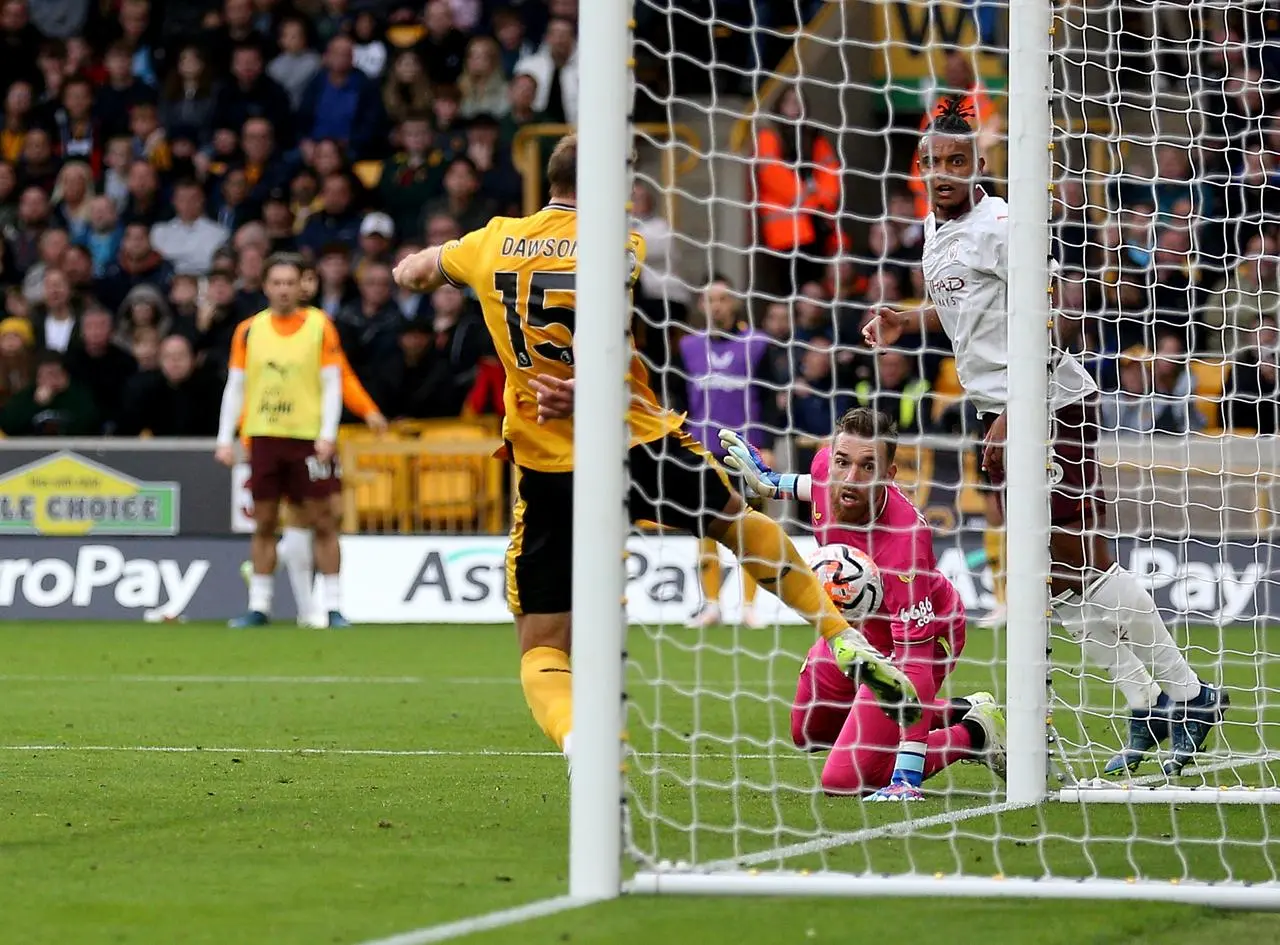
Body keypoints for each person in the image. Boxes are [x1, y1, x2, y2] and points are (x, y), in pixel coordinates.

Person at [392, 134, 920, 763]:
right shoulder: (622, 244)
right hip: (635, 439)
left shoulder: (491, 240)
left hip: (548, 463)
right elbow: (604, 328)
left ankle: (576, 737)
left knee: (542, 646)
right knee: (732, 521)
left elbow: (418, 271)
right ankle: (839, 631)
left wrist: (418, 267)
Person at [862, 99, 1227, 777]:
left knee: (1082, 558)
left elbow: (1065, 307)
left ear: (979, 164)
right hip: (998, 411)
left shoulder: (1001, 223)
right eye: (933, 162)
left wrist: (1021, 405)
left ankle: (1191, 694)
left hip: (1050, 406)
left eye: (957, 161)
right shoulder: (935, 231)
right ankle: (1148, 702)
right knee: (1050, 580)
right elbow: (972, 314)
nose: (944, 173)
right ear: (920, 168)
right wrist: (906, 320)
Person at [719, 408, 1005, 799]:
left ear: (889, 474)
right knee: (810, 732)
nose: (850, 478)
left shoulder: (906, 540)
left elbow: (915, 666)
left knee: (844, 780)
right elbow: (811, 483)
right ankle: (959, 709)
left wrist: (907, 772)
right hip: (856, 629)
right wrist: (770, 483)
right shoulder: (825, 469)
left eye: (868, 467)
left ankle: (975, 733)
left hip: (919, 639)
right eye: (843, 462)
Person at [214, 253, 348, 628]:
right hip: (264, 435)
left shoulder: (320, 326)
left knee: (324, 521)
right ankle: (260, 605)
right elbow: (236, 386)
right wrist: (225, 437)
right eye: (277, 283)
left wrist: (327, 433)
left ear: (300, 285)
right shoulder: (249, 330)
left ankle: (334, 606)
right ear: (265, 286)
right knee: (264, 521)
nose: (284, 289)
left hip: (307, 437)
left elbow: (332, 382)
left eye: (290, 282)